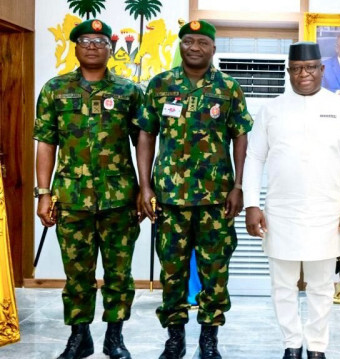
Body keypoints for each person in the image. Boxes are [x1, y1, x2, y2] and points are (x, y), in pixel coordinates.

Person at [135, 20, 253, 359]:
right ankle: (174, 338)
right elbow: (146, 134)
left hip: (216, 198)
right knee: (172, 269)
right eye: (189, 41)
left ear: (213, 48)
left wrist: (239, 185)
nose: (195, 47)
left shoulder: (228, 88)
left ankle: (209, 339)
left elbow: (240, 136)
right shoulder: (160, 85)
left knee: (215, 269)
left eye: (202, 42)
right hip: (169, 198)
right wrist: (145, 186)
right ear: (181, 45)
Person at [243, 41, 340, 359]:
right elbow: (254, 159)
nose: (304, 74)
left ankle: (317, 347)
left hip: (327, 212)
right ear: (288, 71)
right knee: (282, 285)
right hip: (281, 212)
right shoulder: (271, 109)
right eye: (296, 68)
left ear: (322, 70)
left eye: (310, 67)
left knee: (321, 285)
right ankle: (291, 344)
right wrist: (251, 204)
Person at [34, 19, 142, 359]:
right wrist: (43, 193)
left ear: (111, 49)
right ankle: (79, 337)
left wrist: (145, 189)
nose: (92, 46)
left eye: (99, 41)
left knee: (119, 274)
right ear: (75, 47)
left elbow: (143, 143)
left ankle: (115, 337)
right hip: (71, 198)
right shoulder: (55, 89)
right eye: (85, 40)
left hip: (120, 200)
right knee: (76, 272)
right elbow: (46, 143)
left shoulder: (129, 91)